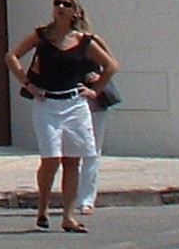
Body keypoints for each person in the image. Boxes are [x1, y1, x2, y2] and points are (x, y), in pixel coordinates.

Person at [7, 0, 117, 233]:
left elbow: (111, 65)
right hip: (47, 103)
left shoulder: (83, 40)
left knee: (72, 160)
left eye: (66, 4)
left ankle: (68, 216)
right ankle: (43, 207)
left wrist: (95, 90)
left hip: (74, 104)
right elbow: (11, 56)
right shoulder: (42, 36)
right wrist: (28, 84)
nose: (61, 7)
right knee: (51, 159)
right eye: (57, 3)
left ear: (74, 10)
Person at [76, 24, 120, 215]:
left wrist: (99, 78)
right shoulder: (59, 42)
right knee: (71, 150)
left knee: (92, 150)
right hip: (70, 99)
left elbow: (113, 64)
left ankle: (87, 199)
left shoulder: (92, 40)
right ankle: (74, 196)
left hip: (94, 100)